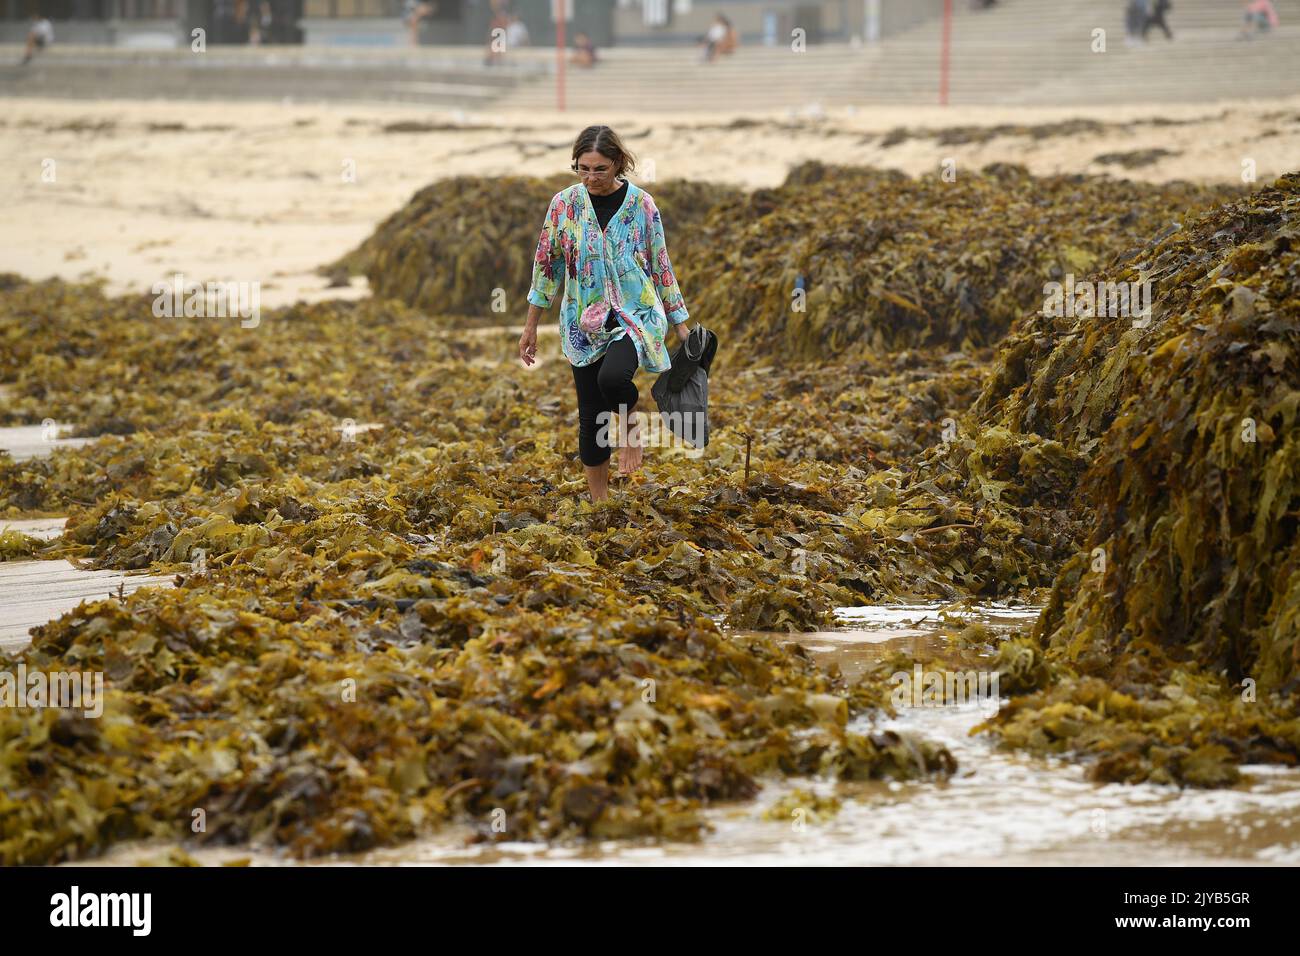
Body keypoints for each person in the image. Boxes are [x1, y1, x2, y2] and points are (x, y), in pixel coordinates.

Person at [519, 126, 693, 503]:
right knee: (591, 418)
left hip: (636, 313)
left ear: (618, 163)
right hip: (582, 322)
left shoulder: (642, 205)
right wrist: (531, 326)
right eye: (583, 169)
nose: (591, 178)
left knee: (613, 380)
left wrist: (680, 324)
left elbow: (662, 264)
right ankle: (600, 502)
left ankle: (631, 431)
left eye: (599, 169)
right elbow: (547, 268)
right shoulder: (563, 205)